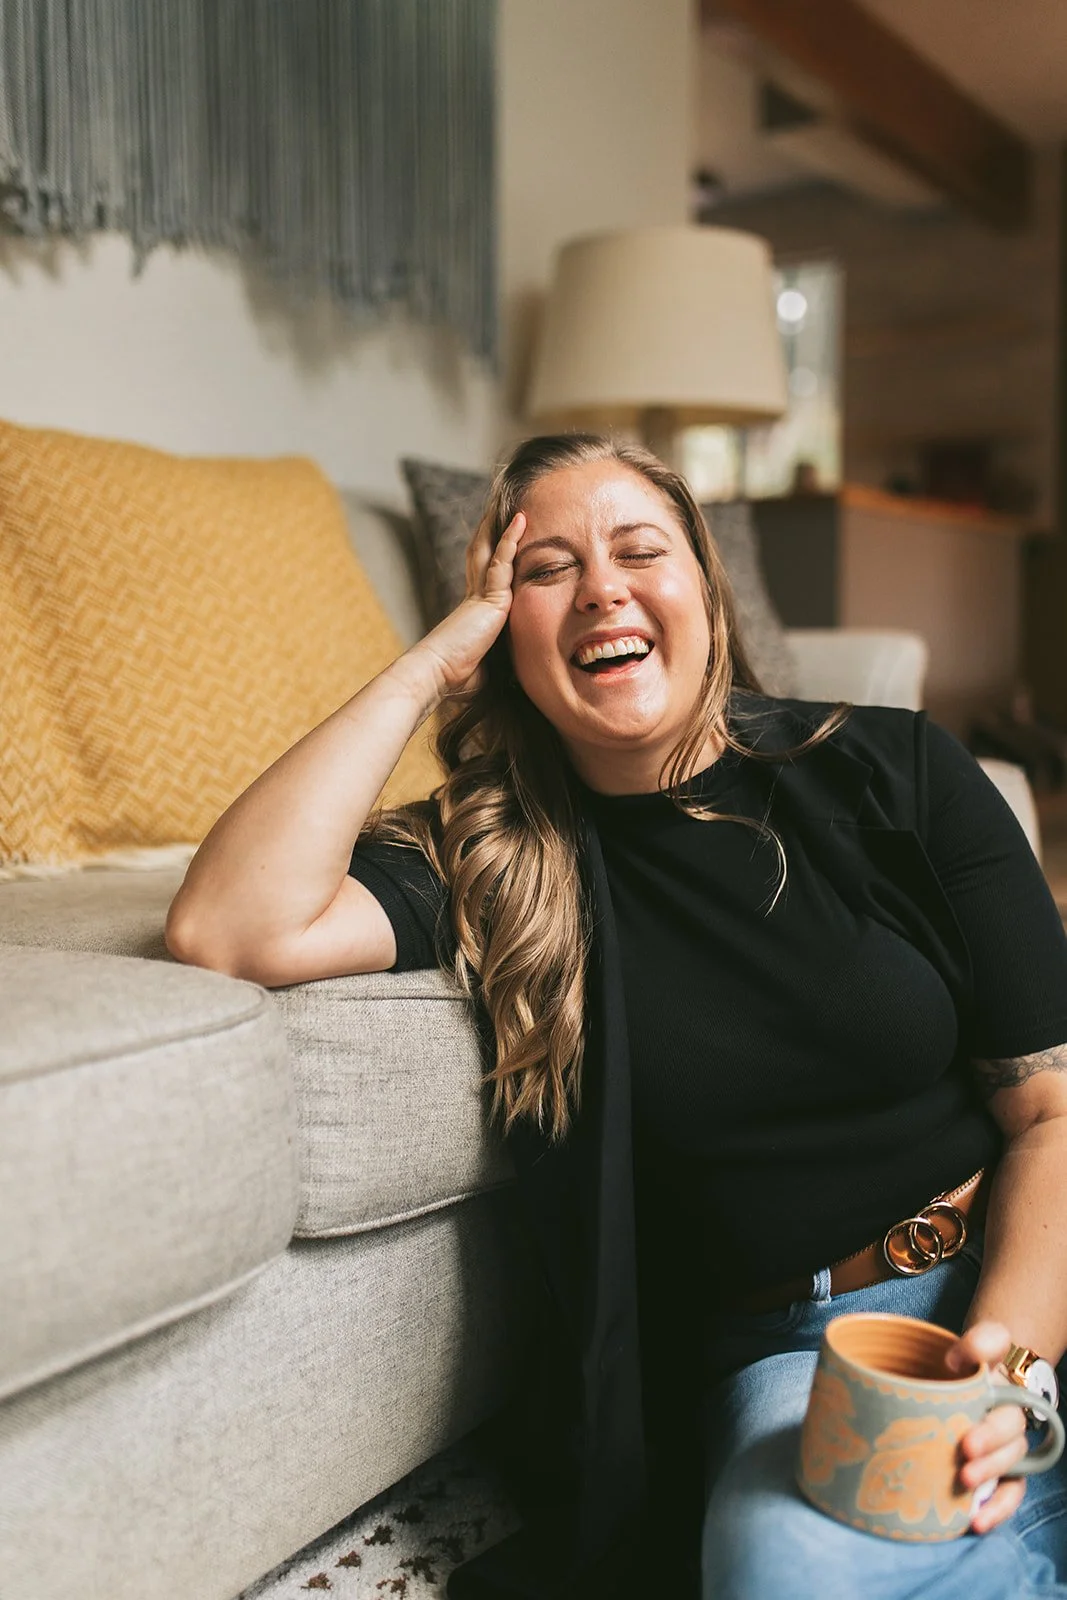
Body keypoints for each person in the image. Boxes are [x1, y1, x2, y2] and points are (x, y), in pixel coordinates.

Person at [166, 433, 1067, 1600]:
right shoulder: (491, 862)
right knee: (784, 1572)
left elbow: (1048, 1107)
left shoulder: (889, 767)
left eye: (639, 549)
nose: (601, 585)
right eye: (544, 570)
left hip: (1024, 1274)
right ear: (503, 626)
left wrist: (1002, 1362)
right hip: (810, 1359)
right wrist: (430, 665)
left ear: (702, 587)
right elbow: (227, 927)